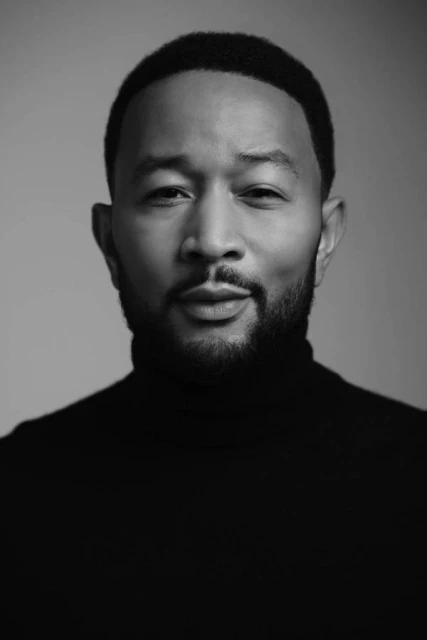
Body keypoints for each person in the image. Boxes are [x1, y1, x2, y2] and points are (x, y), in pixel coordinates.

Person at [1, 31, 426, 637]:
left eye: (260, 192)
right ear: (109, 241)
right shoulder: (15, 491)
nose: (211, 239)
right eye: (167, 192)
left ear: (325, 237)